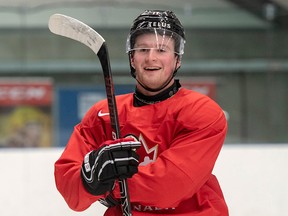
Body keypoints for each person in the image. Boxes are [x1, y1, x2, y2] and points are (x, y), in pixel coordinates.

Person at [54, 9, 229, 215]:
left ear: (177, 59)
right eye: (143, 49)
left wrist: (108, 188)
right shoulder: (103, 115)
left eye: (161, 50)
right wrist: (89, 181)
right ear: (132, 58)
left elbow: (170, 186)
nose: (151, 58)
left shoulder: (201, 112)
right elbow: (70, 188)